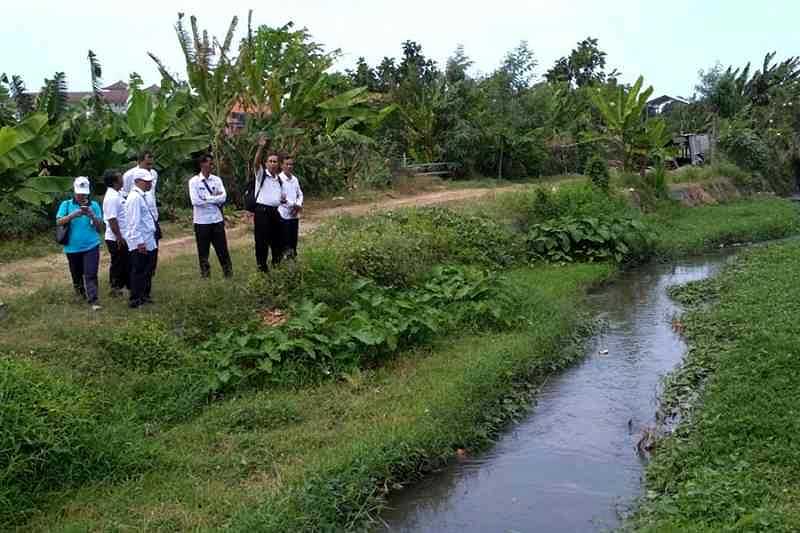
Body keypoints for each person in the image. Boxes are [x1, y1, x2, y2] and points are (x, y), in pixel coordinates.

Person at [55, 177, 104, 311]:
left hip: (91, 245)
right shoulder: (66, 205)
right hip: (72, 247)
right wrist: (73, 215)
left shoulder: (94, 205)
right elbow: (59, 222)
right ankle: (80, 295)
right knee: (76, 275)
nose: (81, 196)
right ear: (74, 191)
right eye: (79, 193)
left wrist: (92, 215)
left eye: (83, 193)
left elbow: (100, 227)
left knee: (91, 273)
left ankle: (93, 300)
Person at [188, 154, 232, 278]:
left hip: (217, 219)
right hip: (201, 222)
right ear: (202, 164)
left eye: (212, 163)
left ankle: (228, 273)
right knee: (203, 251)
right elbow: (195, 201)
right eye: (209, 163)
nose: (211, 165)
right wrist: (214, 199)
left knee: (222, 249)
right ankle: (205, 275)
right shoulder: (194, 181)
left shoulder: (217, 180)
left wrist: (207, 198)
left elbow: (223, 197)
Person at [124, 168, 158, 308]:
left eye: (150, 181)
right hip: (141, 240)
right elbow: (133, 222)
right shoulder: (134, 198)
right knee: (139, 270)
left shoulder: (142, 195)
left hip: (148, 237)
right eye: (146, 182)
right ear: (137, 181)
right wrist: (139, 242)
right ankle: (135, 299)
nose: (149, 184)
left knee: (147, 270)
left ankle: (144, 295)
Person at [251, 137, 286, 271]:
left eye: (275, 161)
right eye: (270, 161)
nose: (272, 163)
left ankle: (277, 264)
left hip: (275, 212)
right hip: (262, 212)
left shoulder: (278, 179)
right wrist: (260, 147)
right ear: (266, 163)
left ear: (278, 164)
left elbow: (277, 196)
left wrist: (280, 200)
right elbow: (255, 163)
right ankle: (262, 267)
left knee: (278, 240)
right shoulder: (261, 175)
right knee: (262, 241)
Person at [122, 150, 160, 271]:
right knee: (141, 257)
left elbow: (152, 194)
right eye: (147, 164)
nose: (149, 167)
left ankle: (149, 274)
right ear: (139, 162)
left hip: (152, 214)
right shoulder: (129, 175)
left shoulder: (153, 174)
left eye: (151, 164)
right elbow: (126, 194)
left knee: (153, 250)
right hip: (138, 214)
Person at [102, 169, 128, 296]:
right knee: (118, 262)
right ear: (114, 181)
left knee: (123, 261)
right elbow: (112, 219)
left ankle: (122, 285)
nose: (122, 179)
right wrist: (119, 237)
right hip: (115, 237)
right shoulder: (111, 197)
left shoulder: (118, 193)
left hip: (122, 235)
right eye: (120, 177)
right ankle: (115, 288)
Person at [278, 155, 304, 259]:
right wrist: (293, 206)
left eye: (291, 164)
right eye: (287, 164)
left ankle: (293, 259)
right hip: (283, 215)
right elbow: (280, 198)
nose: (289, 166)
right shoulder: (279, 179)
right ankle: (284, 260)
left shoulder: (295, 179)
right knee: (285, 240)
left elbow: (300, 194)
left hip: (295, 215)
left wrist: (298, 205)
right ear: (282, 165)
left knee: (294, 239)